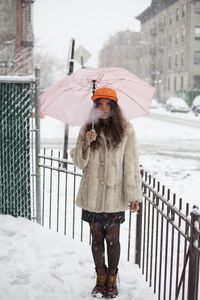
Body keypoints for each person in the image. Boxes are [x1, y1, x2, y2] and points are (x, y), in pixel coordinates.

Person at [70, 87, 142, 298]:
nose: (103, 108)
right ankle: (100, 279)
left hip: (114, 194)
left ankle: (112, 279)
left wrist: (133, 196)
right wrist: (86, 144)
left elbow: (131, 163)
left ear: (114, 106)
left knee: (113, 238)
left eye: (107, 104)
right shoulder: (87, 128)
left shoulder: (126, 129)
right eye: (99, 104)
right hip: (92, 194)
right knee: (96, 238)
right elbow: (79, 162)